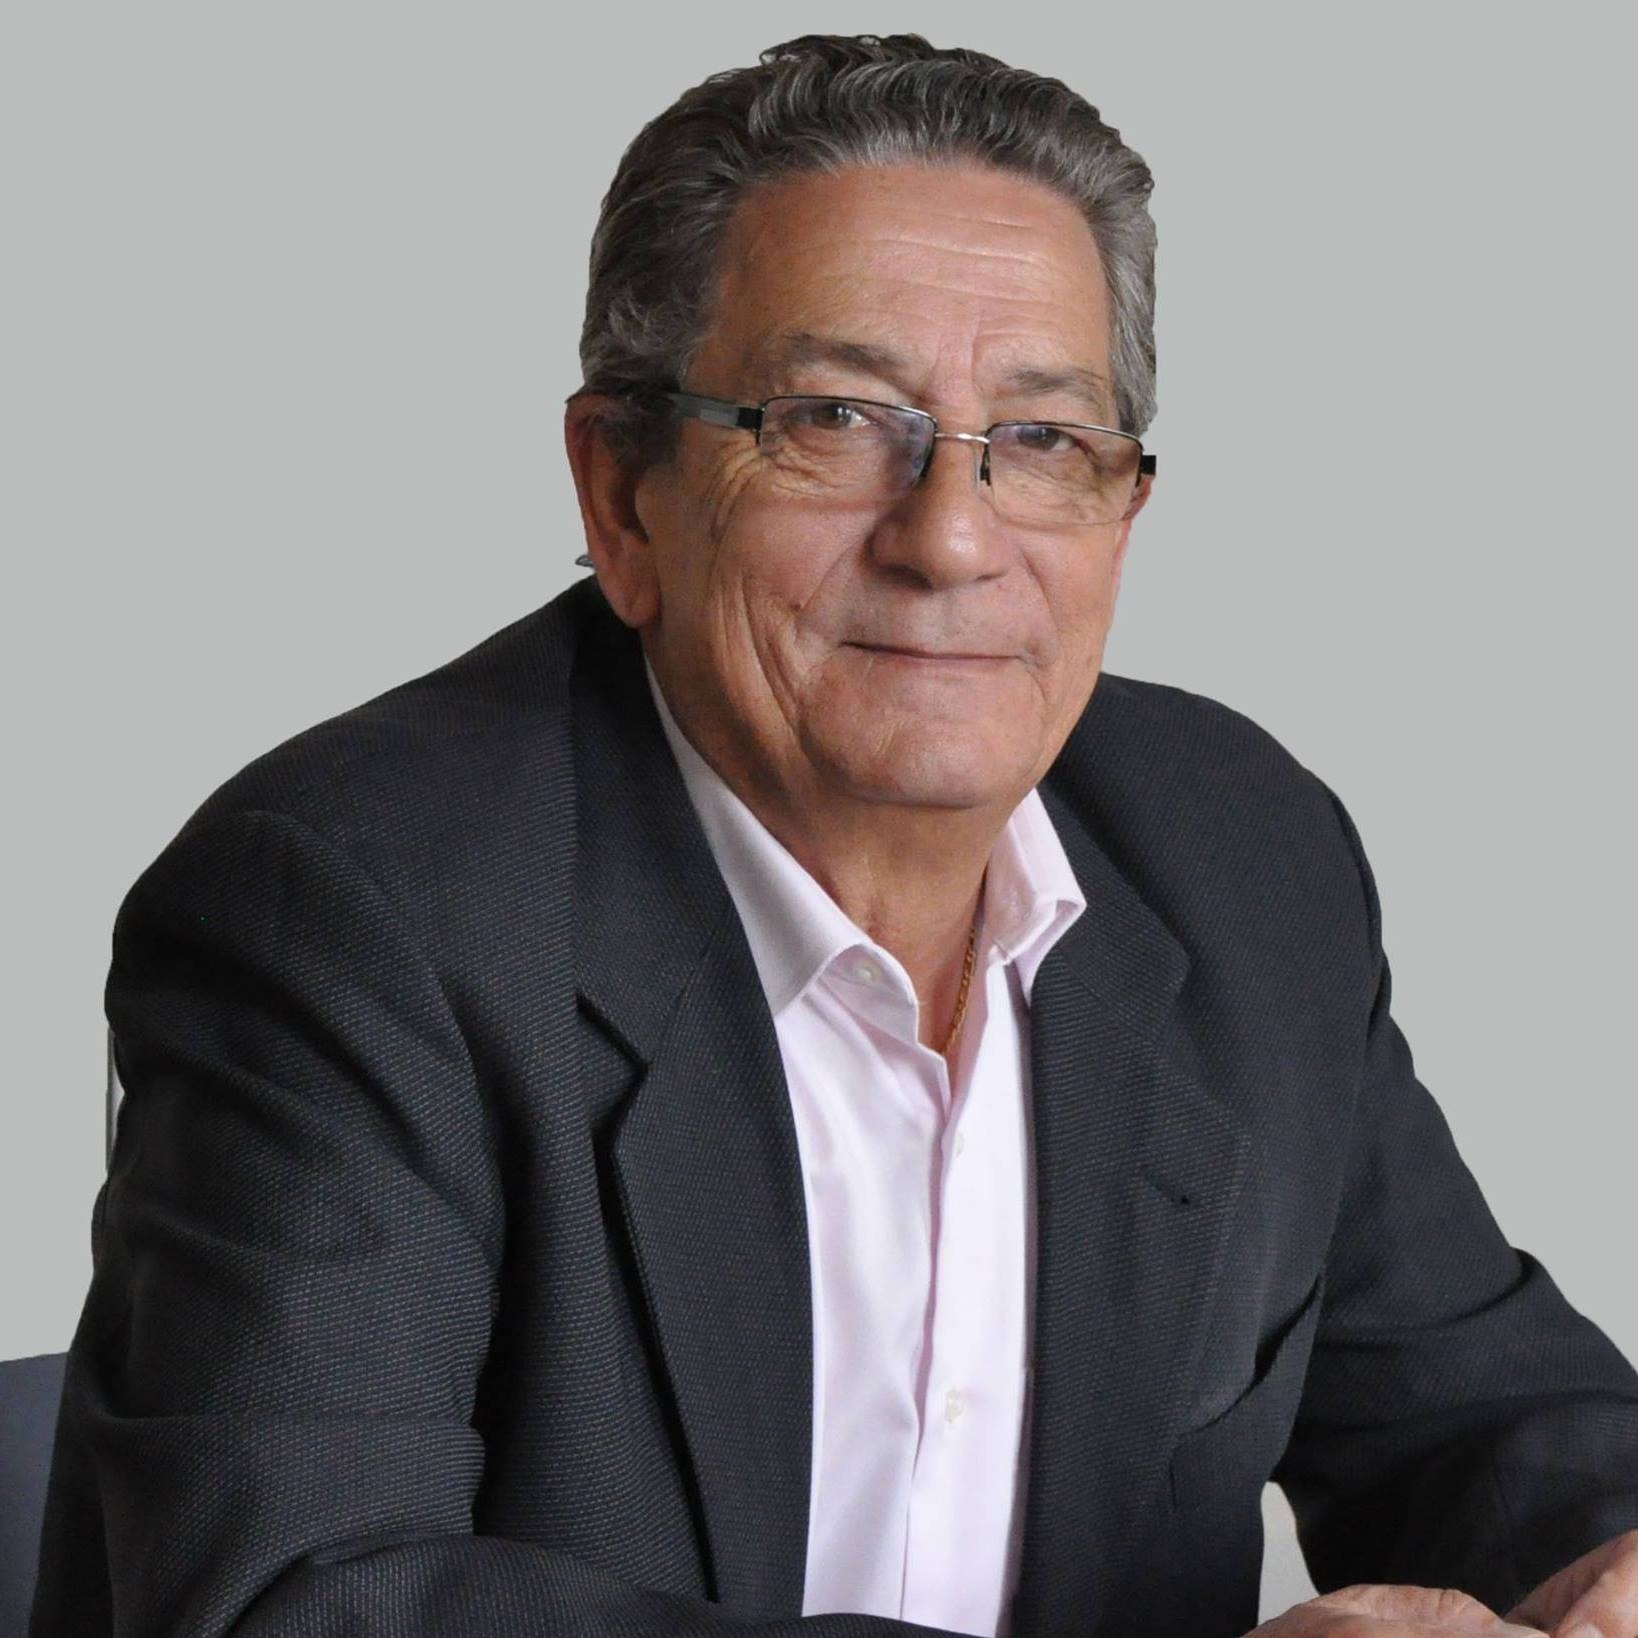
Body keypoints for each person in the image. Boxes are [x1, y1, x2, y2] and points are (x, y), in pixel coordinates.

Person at [29, 31, 1638, 1638]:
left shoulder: (1239, 854)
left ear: (1123, 509)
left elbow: (1474, 1410)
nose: (951, 537)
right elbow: (299, 1600)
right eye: (836, 419)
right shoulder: (353, 907)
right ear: (623, 495)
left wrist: (1604, 1558)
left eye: (1043, 440)